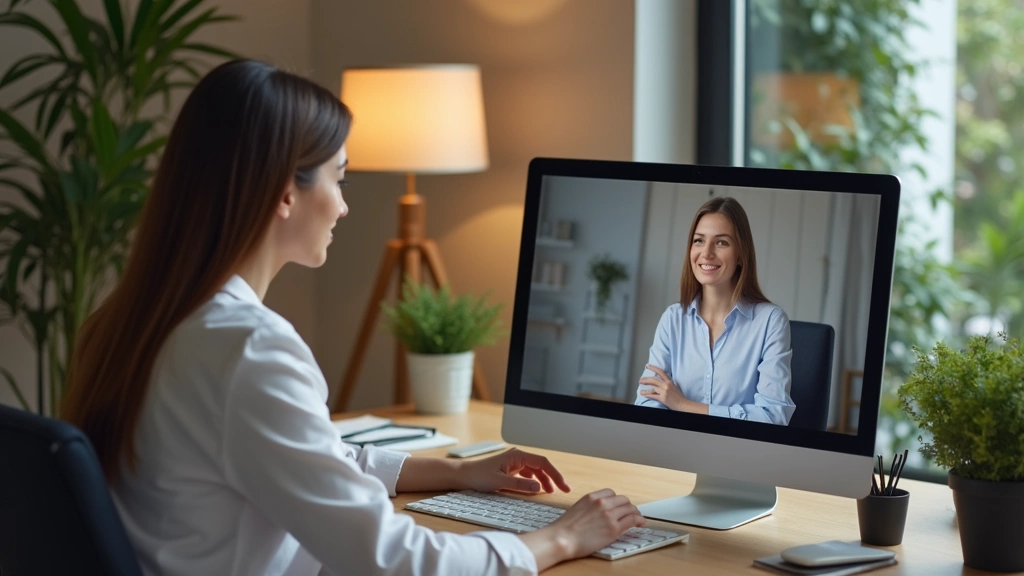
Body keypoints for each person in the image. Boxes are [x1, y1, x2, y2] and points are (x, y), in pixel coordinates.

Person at [60, 59, 644, 576]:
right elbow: (395, 561)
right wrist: (560, 537)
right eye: (339, 177)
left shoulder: (134, 323)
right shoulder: (250, 351)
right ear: (284, 193)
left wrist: (460, 473)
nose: (342, 205)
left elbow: (313, 457)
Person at [633, 196, 795, 425]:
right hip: (672, 447)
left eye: (721, 243)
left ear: (741, 255)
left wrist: (683, 405)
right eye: (699, 241)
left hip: (738, 452)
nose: (706, 253)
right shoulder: (673, 319)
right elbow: (647, 401)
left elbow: (772, 417)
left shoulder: (770, 321)